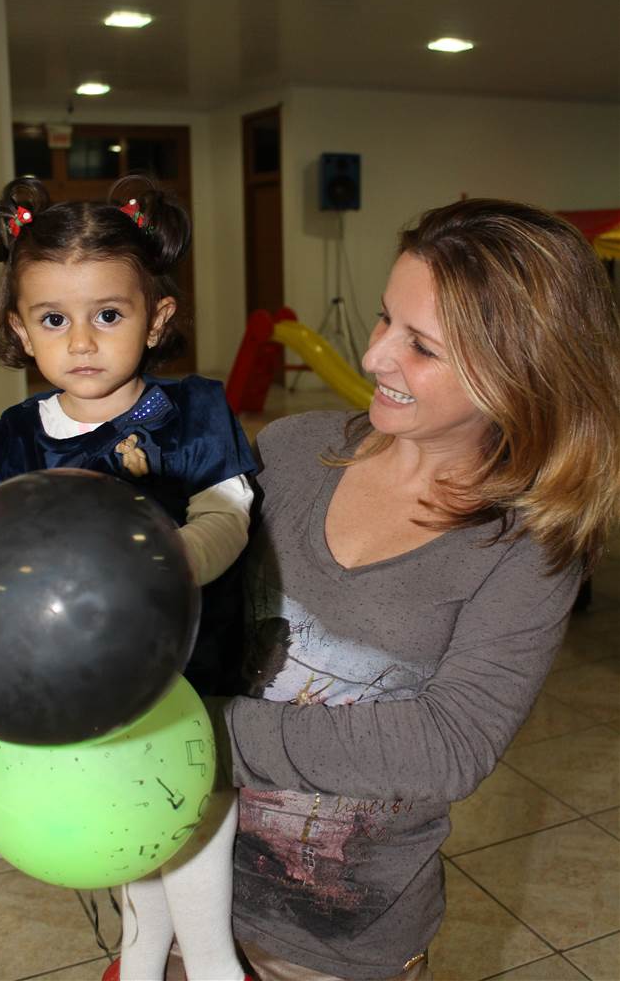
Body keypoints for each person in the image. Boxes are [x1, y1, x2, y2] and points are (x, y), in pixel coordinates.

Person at [203, 199, 620, 981]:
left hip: (338, 947)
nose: (374, 357)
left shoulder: (526, 548)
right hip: (188, 888)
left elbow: (449, 743)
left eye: (420, 346)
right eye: (384, 320)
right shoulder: (287, 453)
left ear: (516, 373)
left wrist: (205, 740)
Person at [0, 176, 256, 981]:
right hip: (78, 672)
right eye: (55, 319)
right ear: (21, 330)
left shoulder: (193, 412)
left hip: (190, 656)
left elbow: (229, 514)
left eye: (110, 315)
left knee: (189, 794)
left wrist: (165, 566)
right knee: (122, 803)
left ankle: (210, 960)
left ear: (156, 318)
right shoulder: (4, 446)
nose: (82, 341)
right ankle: (142, 947)